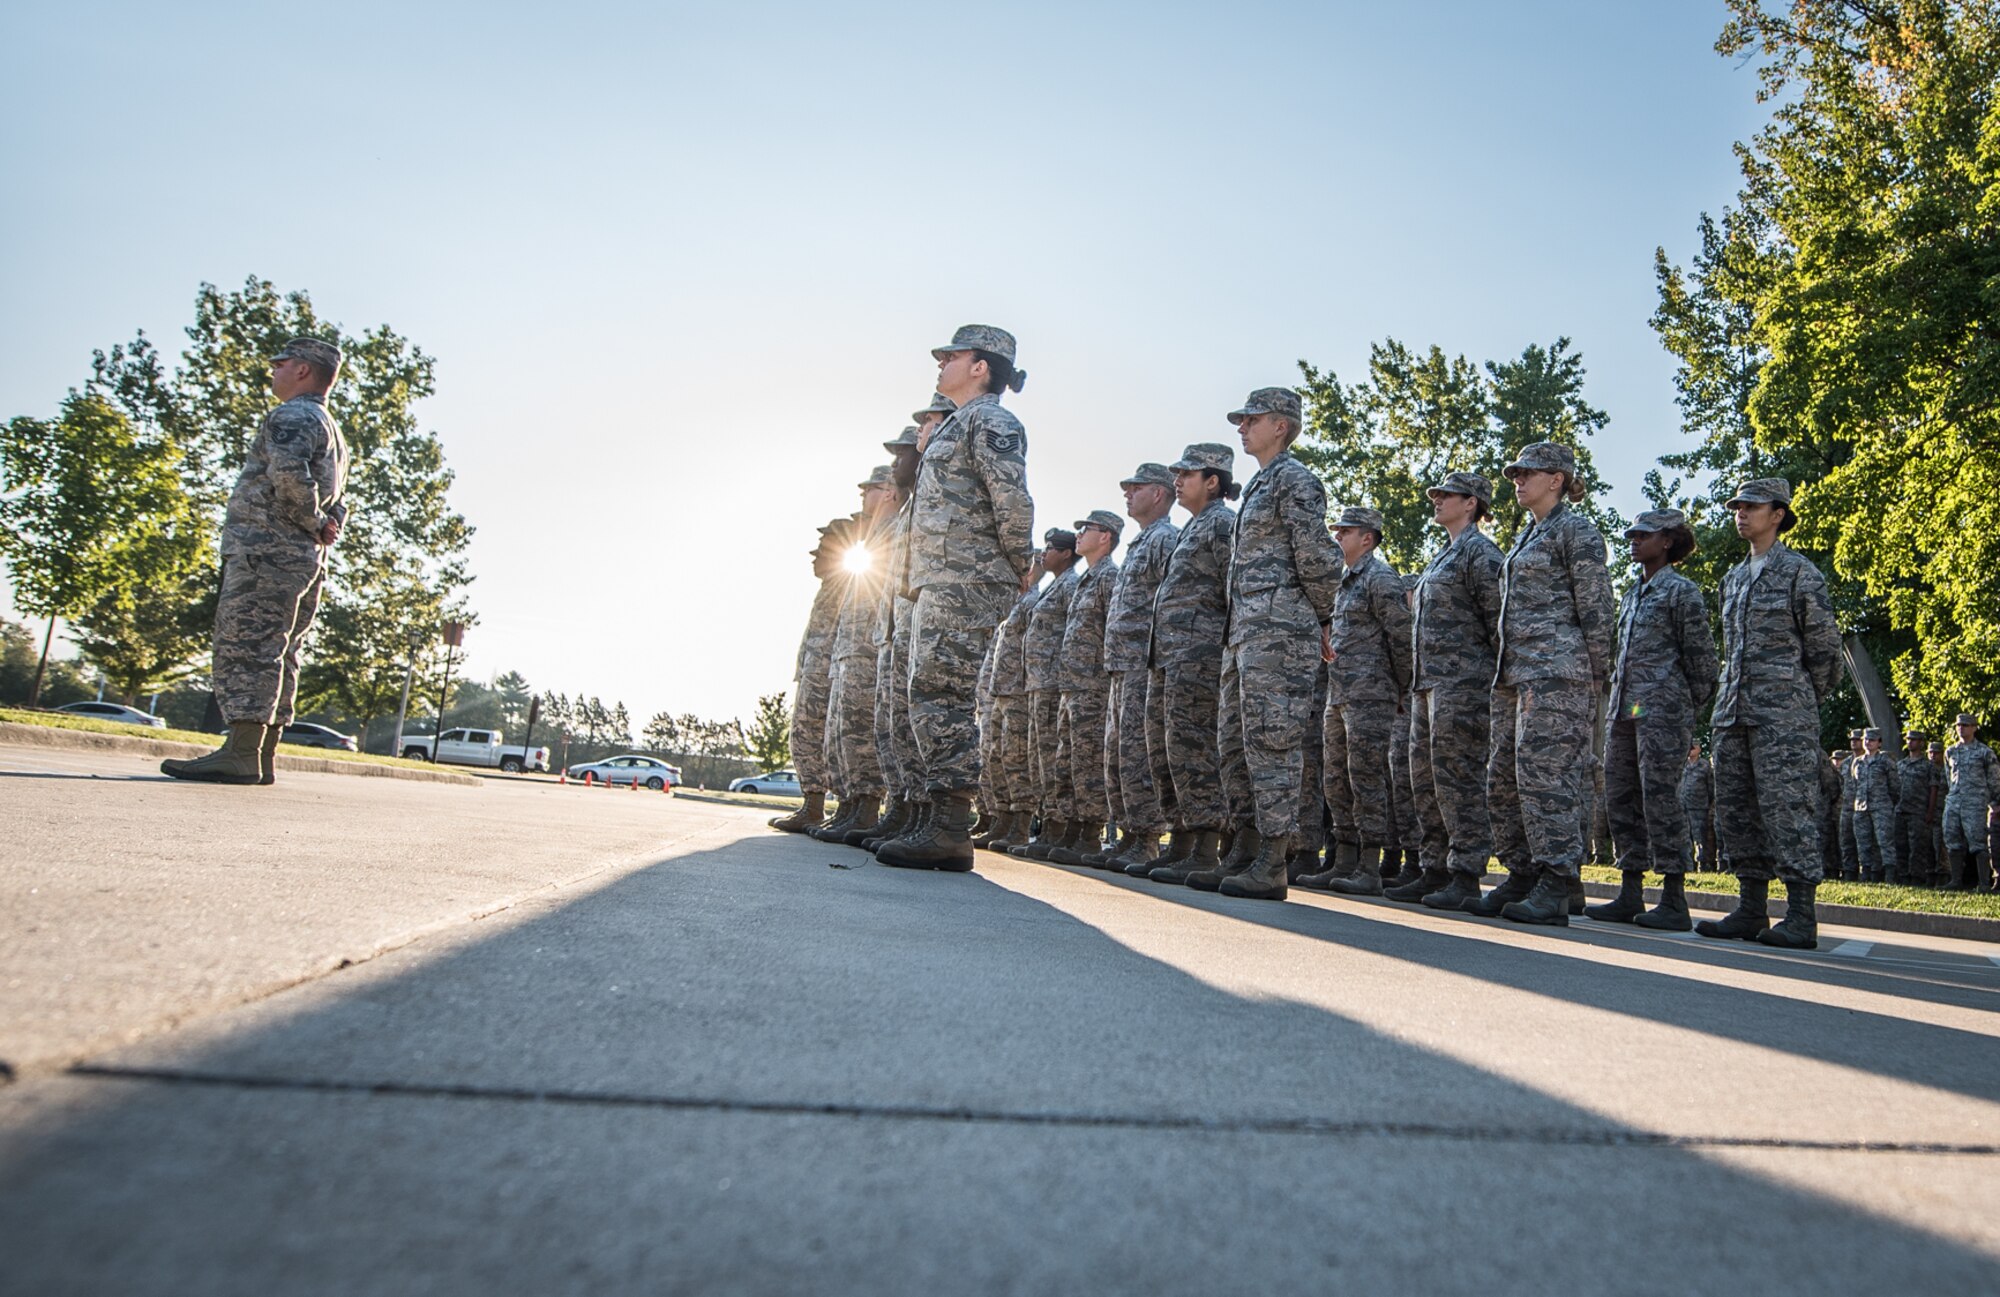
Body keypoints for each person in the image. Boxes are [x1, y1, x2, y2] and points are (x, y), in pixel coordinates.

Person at [880, 326, 1035, 871]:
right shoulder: (960, 424)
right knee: (926, 693)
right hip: (940, 577)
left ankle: (949, 828)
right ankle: (932, 818)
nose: (941, 362)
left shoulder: (992, 420)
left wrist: (1019, 564)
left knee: (941, 694)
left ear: (980, 367)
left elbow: (1012, 500)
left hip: (966, 578)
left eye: (952, 355)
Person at [163, 338, 350, 786]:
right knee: (283, 652)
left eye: (281, 363)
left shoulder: (293, 415)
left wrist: (314, 519)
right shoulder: (331, 428)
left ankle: (242, 753)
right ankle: (261, 755)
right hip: (304, 557)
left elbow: (289, 478)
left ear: (303, 370)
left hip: (268, 550)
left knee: (250, 646)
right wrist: (326, 524)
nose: (274, 370)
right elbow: (340, 498)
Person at [1187, 388, 1343, 902]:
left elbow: (1319, 556)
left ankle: (1275, 858)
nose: (1241, 426)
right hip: (1244, 634)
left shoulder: (1294, 479)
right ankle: (1245, 847)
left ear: (1282, 425)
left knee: (1272, 742)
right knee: (1235, 743)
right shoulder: (1262, 483)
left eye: (1251, 419)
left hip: (1279, 633)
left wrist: (1323, 616)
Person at [1464, 443, 1616, 927]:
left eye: (1528, 473)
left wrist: (1596, 678)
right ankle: (1525, 872)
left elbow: (1596, 608)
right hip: (1516, 675)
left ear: (1557, 479)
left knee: (1546, 776)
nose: (1517, 480)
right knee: (1504, 778)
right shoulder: (1529, 536)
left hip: (1558, 674)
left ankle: (1557, 877)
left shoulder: (1576, 530)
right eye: (1515, 473)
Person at [1696, 478, 1843, 948]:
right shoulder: (1733, 579)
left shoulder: (1801, 573)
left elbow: (1825, 653)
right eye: (1737, 506)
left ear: (1777, 514)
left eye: (1751, 506)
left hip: (1783, 718)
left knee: (1788, 810)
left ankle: (1801, 914)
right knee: (1738, 812)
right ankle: (1751, 908)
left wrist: (1795, 701)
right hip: (1732, 715)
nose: (1740, 513)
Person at [1586, 509, 1718, 930]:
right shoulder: (1632, 594)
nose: (1633, 540)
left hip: (1662, 713)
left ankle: (1674, 897)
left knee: (1660, 797)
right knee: (1621, 796)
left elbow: (1703, 663)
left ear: (1667, 542)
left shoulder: (1682, 593)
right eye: (1632, 534)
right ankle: (1631, 890)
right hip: (1625, 709)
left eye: (1644, 535)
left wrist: (1681, 708)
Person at [1398, 472, 1504, 909]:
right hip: (1427, 685)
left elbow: (1499, 624)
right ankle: (1435, 867)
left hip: (1463, 686)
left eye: (1447, 495)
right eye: (1436, 493)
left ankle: (1466, 871)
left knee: (1458, 778)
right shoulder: (1443, 555)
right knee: (1426, 780)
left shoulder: (1481, 554)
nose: (1437, 499)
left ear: (1472, 503)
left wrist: (1490, 684)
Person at [1141, 444, 1243, 885]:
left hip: (1198, 657)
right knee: (1167, 751)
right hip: (1169, 656)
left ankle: (1205, 846)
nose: (1177, 481)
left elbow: (1233, 589)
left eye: (1187, 474)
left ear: (1213, 481)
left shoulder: (1221, 525)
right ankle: (1180, 840)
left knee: (1194, 749)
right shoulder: (1192, 527)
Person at [1298, 506, 1412, 895]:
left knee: (1366, 777)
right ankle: (1343, 859)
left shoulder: (1381, 579)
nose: (1337, 538)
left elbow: (1402, 638)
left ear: (1368, 537)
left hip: (1371, 694)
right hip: (1339, 694)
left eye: (1345, 532)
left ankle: (1369, 865)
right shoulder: (1342, 583)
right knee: (1336, 779)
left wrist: (1400, 686)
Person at [1087, 465, 1180, 870]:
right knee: (1120, 755)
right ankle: (1129, 832)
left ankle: (1146, 838)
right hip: (1122, 665)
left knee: (1140, 754)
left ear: (1158, 494)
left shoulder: (1165, 540)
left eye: (1136, 487)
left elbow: (1171, 602)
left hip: (1144, 661)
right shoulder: (1141, 543)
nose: (1128, 493)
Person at [813, 466, 902, 843]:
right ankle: (850, 806)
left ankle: (865, 807)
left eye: (871, 489)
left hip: (869, 648)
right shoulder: (872, 540)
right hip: (852, 650)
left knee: (864, 731)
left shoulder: (894, 532)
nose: (863, 496)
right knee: (844, 732)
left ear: (889, 493)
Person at [863, 427, 927, 852]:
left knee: (918, 724)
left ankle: (925, 817)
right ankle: (901, 811)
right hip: (894, 631)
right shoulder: (903, 516)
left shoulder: (928, 506)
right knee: (892, 727)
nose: (896, 465)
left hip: (918, 629)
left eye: (903, 455)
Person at [1047, 511, 1121, 866]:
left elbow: (1114, 630)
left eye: (1086, 529)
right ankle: (1072, 827)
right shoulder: (1085, 581)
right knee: (1069, 760)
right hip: (1071, 684)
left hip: (1093, 684)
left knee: (1088, 760)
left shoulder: (1110, 577)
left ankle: (1089, 834)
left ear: (1105, 536)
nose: (1079, 535)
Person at [769, 518, 852, 832]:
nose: (815, 556)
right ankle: (812, 804)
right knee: (804, 734)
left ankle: (827, 807)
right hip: (814, 668)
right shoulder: (831, 584)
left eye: (822, 548)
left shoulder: (850, 580)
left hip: (828, 670)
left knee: (828, 737)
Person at [1013, 530, 1080, 860]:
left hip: (1054, 683)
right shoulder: (1054, 586)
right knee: (1039, 759)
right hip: (1037, 682)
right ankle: (1047, 824)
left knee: (1053, 759)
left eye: (1051, 549)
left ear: (1066, 554)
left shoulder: (1070, 585)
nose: (1044, 554)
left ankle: (1056, 826)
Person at [972, 557, 1044, 852]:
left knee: (1015, 759)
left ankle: (1019, 824)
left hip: (1018, 691)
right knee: (994, 757)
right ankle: (1000, 818)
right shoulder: (1011, 606)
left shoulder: (1033, 602)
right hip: (997, 692)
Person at [1943, 714, 2000, 891]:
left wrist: (1995, 801)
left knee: (1978, 842)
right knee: (1952, 838)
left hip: (1975, 802)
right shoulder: (1950, 751)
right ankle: (1956, 880)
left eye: (1966, 725)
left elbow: (1994, 779)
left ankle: (1983, 883)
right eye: (1959, 725)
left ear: (1974, 728)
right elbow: (1948, 777)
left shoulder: (1984, 752)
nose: (1961, 728)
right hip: (1954, 800)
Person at [1850, 727, 1899, 883]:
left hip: (1881, 807)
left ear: (1879, 743)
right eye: (1866, 740)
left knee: (1885, 842)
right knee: (1863, 843)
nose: (1868, 742)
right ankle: (1866, 873)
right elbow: (1854, 784)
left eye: (1872, 740)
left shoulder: (1885, 761)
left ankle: (1889, 875)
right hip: (1861, 807)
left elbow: (1895, 786)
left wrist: (1888, 803)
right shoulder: (1857, 762)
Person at [1894, 731, 1938, 887]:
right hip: (1900, 810)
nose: (1910, 742)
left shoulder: (1928, 766)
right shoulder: (1900, 765)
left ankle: (1917, 878)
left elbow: (1933, 789)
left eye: (1914, 740)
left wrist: (1930, 811)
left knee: (1918, 847)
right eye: (1908, 739)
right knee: (1901, 845)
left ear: (1921, 742)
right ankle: (1903, 876)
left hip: (1918, 811)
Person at [1680, 744, 1717, 874]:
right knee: (1684, 837)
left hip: (1699, 807)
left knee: (1700, 838)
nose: (1691, 750)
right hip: (1683, 806)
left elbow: (1711, 787)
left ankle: (1703, 865)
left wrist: (1707, 802)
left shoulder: (1705, 766)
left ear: (1699, 749)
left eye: (1694, 747)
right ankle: (1687, 866)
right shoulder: (1682, 764)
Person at [1835, 729, 1864, 881]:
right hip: (1846, 807)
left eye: (1858, 739)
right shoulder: (1846, 764)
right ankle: (1849, 873)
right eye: (1852, 739)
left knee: (1865, 842)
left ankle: (1868, 874)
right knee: (1846, 841)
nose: (1854, 741)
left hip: (1864, 807)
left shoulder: (1866, 761)